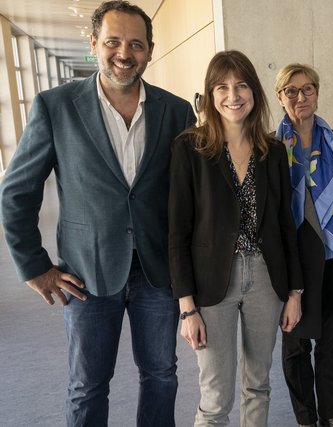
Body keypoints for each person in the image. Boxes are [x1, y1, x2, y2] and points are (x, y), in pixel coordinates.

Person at [0, 1, 194, 425]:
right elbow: (16, 192)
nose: (124, 53)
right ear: (93, 44)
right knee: (87, 385)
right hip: (86, 273)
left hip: (158, 273)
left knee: (162, 375)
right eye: (113, 41)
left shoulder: (177, 111)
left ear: (150, 50)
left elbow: (191, 196)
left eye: (136, 44)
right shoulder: (57, 106)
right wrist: (34, 266)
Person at [168, 50, 303, 427]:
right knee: (215, 397)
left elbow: (284, 224)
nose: (233, 95)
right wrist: (187, 308)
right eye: (222, 87)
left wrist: (294, 292)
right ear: (210, 95)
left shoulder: (272, 150)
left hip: (266, 278)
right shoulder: (189, 148)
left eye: (242, 85)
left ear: (254, 92)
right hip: (212, 284)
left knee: (258, 385)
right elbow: (177, 233)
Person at [275, 63, 333, 427]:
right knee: (296, 347)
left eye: (307, 89)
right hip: (294, 264)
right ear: (280, 96)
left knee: (330, 344)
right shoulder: (271, 146)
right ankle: (306, 418)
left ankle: (330, 414)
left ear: (317, 92)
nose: (301, 97)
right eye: (291, 91)